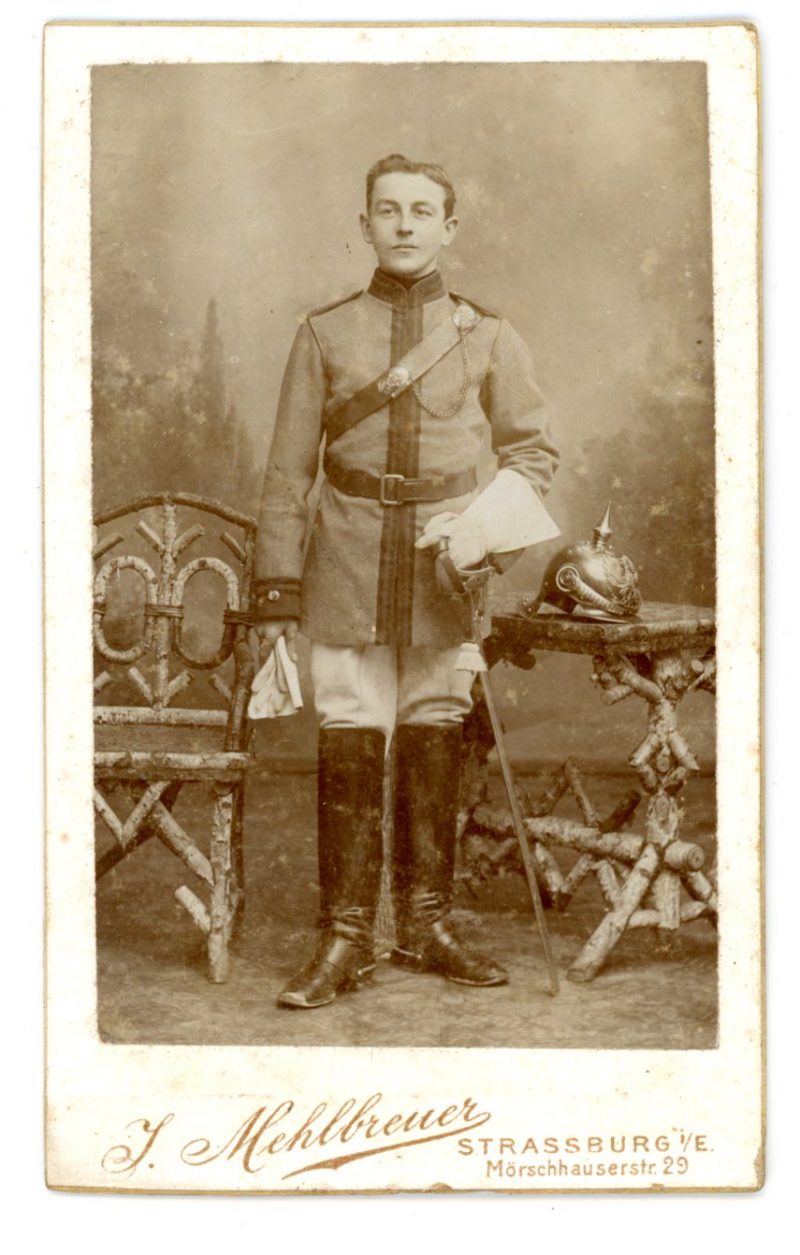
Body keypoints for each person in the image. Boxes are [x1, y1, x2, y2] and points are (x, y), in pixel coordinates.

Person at [254, 153, 560, 1009]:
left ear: (449, 227)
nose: (404, 224)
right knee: (351, 727)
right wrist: (278, 590)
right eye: (387, 210)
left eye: (422, 211)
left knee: (433, 724)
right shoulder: (322, 332)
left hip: (444, 571)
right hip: (346, 560)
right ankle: (346, 934)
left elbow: (533, 455)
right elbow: (286, 476)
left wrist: (483, 535)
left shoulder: (489, 334)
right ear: (364, 226)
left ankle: (426, 922)